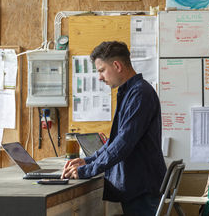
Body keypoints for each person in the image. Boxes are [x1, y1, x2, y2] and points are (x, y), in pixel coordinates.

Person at [62, 41, 166, 216]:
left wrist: (87, 170)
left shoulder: (140, 94)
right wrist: (88, 160)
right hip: (138, 185)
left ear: (117, 65)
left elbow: (124, 143)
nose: (100, 77)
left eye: (102, 70)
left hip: (142, 187)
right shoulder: (129, 92)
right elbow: (116, 140)